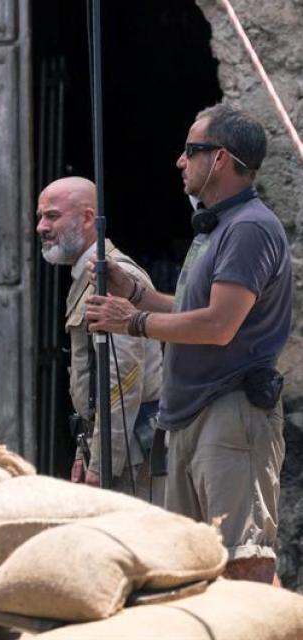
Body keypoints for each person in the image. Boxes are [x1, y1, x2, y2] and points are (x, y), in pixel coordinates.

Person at [85, 104, 291, 584]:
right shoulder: (218, 227)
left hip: (231, 413)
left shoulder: (248, 228)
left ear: (219, 159)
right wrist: (134, 292)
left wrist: (133, 321)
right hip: (195, 415)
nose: (180, 161)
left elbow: (219, 325)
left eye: (190, 150)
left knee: (242, 561)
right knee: (194, 566)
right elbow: (189, 310)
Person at [36, 177, 163, 500]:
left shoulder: (115, 276)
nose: (41, 227)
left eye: (52, 216)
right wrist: (86, 451)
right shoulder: (87, 275)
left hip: (131, 455)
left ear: (88, 218)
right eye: (40, 217)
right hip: (110, 445)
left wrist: (104, 464)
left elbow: (123, 381)